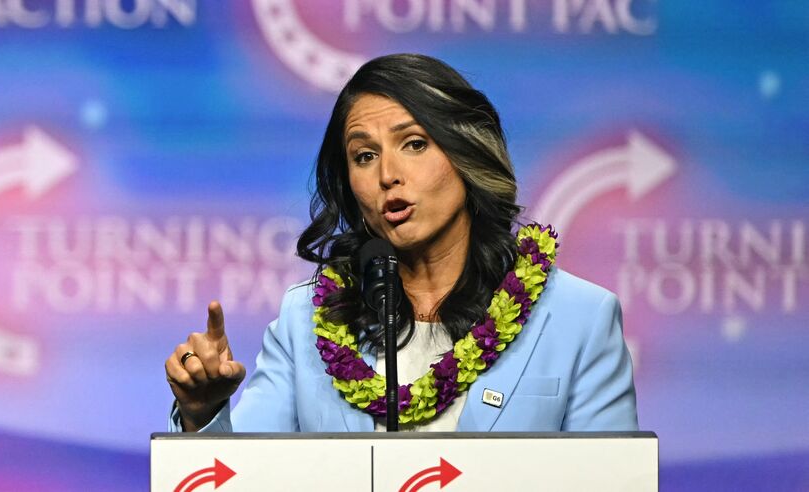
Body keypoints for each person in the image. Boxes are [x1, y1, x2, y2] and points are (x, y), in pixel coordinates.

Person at [165, 54, 638, 433]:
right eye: (364, 155)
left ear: (464, 151)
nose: (388, 175)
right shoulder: (306, 321)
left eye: (414, 144)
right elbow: (246, 479)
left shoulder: (579, 319)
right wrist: (202, 413)